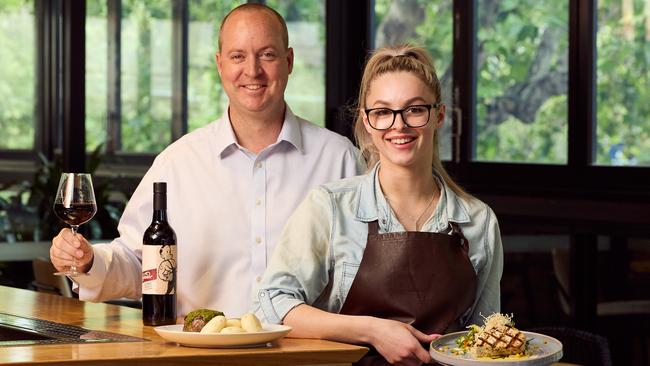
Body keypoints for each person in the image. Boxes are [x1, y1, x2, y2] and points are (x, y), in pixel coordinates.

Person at [49, 3, 360, 317]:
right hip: (199, 356)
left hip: (309, 359)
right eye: (238, 56)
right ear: (220, 64)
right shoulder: (178, 163)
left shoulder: (339, 159)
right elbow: (141, 263)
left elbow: (369, 272)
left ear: (289, 61)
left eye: (267, 54)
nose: (252, 71)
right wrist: (89, 261)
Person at [253, 44, 503, 365]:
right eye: (383, 112)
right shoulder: (330, 207)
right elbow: (270, 304)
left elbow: (488, 338)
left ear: (438, 115)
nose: (399, 125)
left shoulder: (478, 221)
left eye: (414, 109)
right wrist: (372, 330)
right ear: (367, 121)